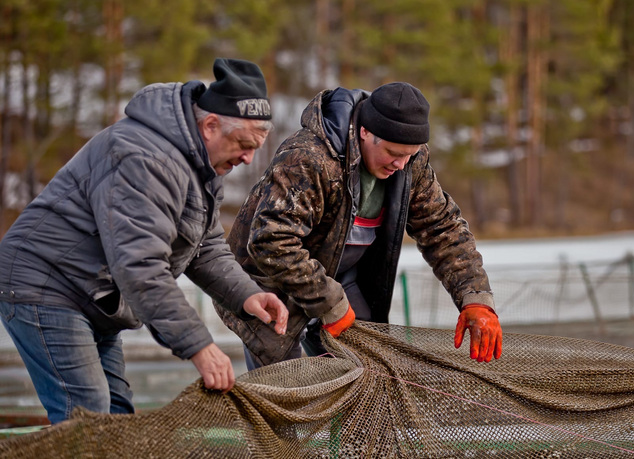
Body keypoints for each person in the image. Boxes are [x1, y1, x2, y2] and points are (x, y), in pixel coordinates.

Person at [0, 58, 289, 424]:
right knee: (88, 412)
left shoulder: (204, 162)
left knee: (119, 414)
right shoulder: (143, 157)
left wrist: (248, 295)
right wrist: (199, 345)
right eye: (243, 144)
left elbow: (205, 245)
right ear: (211, 126)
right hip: (46, 283)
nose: (248, 159)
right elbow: (139, 264)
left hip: (95, 295)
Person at [214, 82, 502, 369]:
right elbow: (271, 241)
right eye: (392, 153)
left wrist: (474, 297)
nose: (400, 165)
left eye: (409, 155)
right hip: (267, 284)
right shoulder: (308, 157)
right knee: (285, 388)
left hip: (342, 274)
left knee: (371, 367)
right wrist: (328, 302)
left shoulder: (410, 161)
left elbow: (442, 227)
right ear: (365, 132)